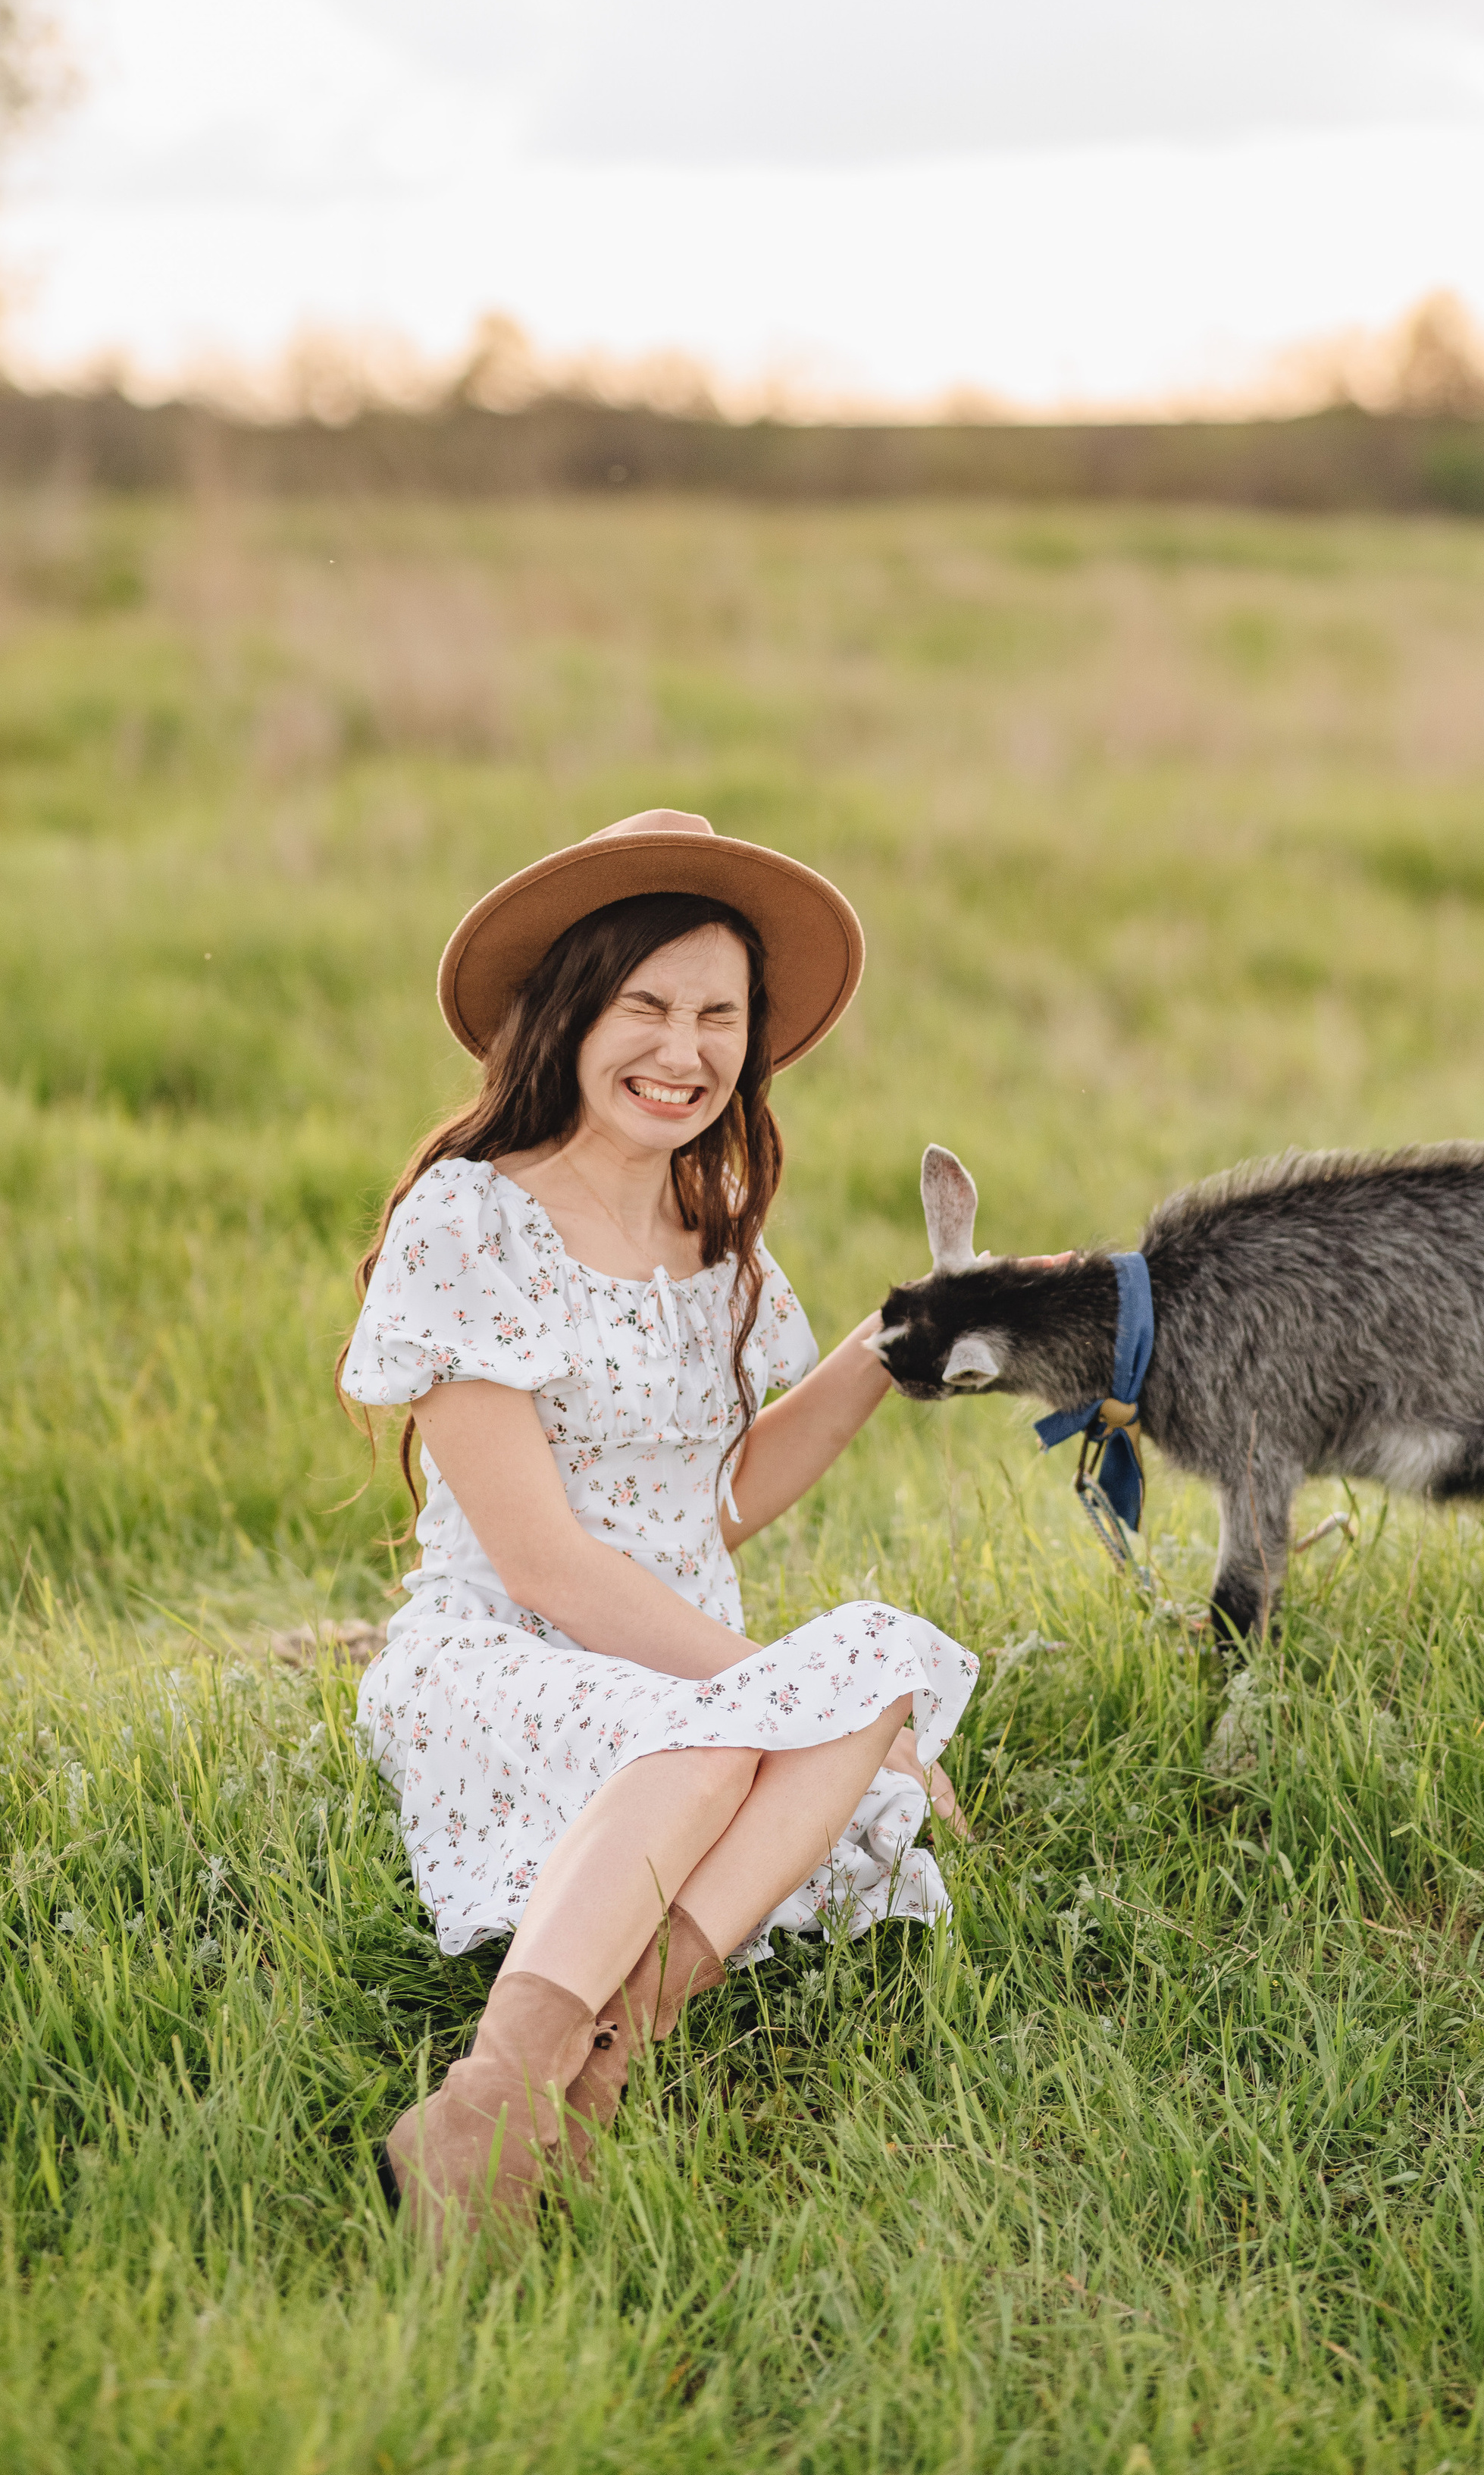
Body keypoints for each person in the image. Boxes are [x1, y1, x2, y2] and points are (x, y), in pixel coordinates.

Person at [339, 808, 978, 2245]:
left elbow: (725, 1496)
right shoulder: (472, 1223)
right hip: (508, 1654)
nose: (682, 1051)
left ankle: (604, 2069)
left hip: (682, 1666)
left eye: (718, 1016)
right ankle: (483, 2114)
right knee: (725, 1735)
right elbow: (549, 1563)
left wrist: (889, 1342)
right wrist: (760, 1694)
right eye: (646, 1007)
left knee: (873, 1659)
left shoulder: (721, 1222)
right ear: (571, 1012)